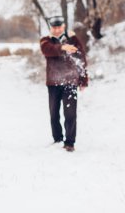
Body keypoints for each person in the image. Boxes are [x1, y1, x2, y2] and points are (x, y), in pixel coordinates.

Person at [40, 16, 88, 152]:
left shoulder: (73, 39)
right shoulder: (45, 40)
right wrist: (63, 47)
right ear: (51, 28)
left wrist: (83, 80)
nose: (56, 30)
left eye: (59, 27)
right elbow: (47, 50)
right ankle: (57, 139)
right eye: (54, 27)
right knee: (54, 114)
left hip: (70, 82)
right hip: (53, 82)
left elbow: (81, 57)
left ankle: (70, 143)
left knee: (70, 114)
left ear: (64, 26)